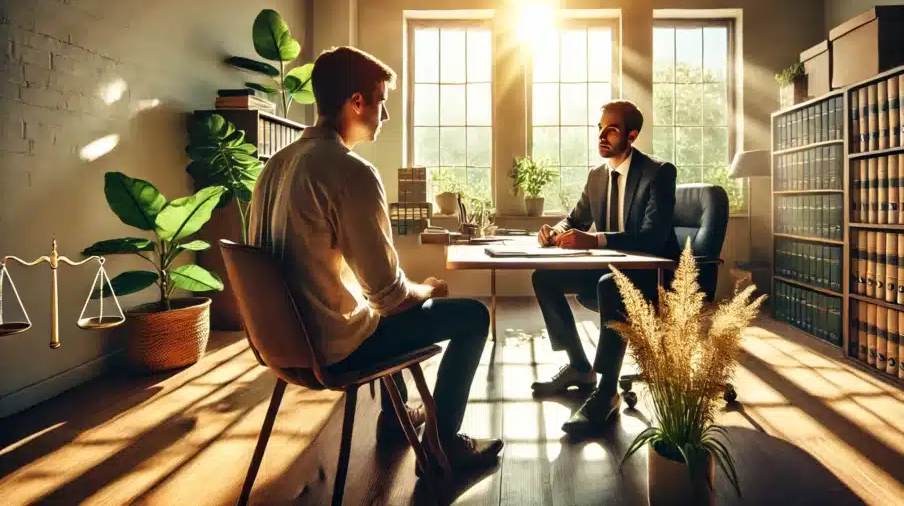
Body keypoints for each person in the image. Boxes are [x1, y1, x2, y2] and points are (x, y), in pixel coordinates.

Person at [248, 46, 503, 476]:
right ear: (357, 102)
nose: (385, 116)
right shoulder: (349, 171)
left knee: (371, 312)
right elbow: (390, 297)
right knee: (473, 316)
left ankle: (394, 419)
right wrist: (430, 289)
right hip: (332, 348)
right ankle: (442, 450)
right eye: (381, 102)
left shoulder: (274, 167)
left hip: (280, 345)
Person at [531, 99, 679, 436]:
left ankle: (607, 391)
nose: (602, 136)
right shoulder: (597, 176)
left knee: (609, 286)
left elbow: (652, 238)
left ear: (632, 135)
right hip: (608, 270)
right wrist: (555, 230)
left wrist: (595, 240)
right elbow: (576, 218)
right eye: (599, 129)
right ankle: (580, 367)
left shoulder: (658, 173)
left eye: (611, 130)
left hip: (652, 279)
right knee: (544, 278)